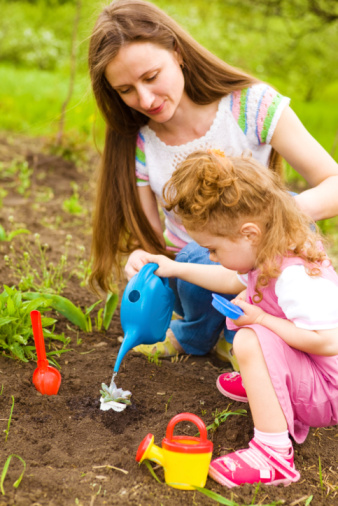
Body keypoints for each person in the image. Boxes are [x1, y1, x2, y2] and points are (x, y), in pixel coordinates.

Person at [88, 0, 338, 367]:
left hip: (264, 262)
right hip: (195, 278)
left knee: (286, 207)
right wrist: (143, 260)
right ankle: (202, 331)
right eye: (125, 90)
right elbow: (153, 239)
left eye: (151, 77)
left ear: (178, 53)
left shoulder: (250, 106)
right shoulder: (139, 140)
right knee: (194, 252)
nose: (144, 99)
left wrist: (268, 220)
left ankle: (248, 336)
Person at [139, 149, 338, 487]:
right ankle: (268, 385)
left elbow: (328, 341)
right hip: (317, 374)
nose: (211, 257)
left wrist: (260, 319)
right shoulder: (268, 252)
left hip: (328, 391)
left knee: (250, 338)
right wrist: (174, 267)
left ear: (248, 234)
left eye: (213, 249)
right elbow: (229, 279)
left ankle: (273, 455)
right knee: (252, 330)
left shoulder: (295, 276)